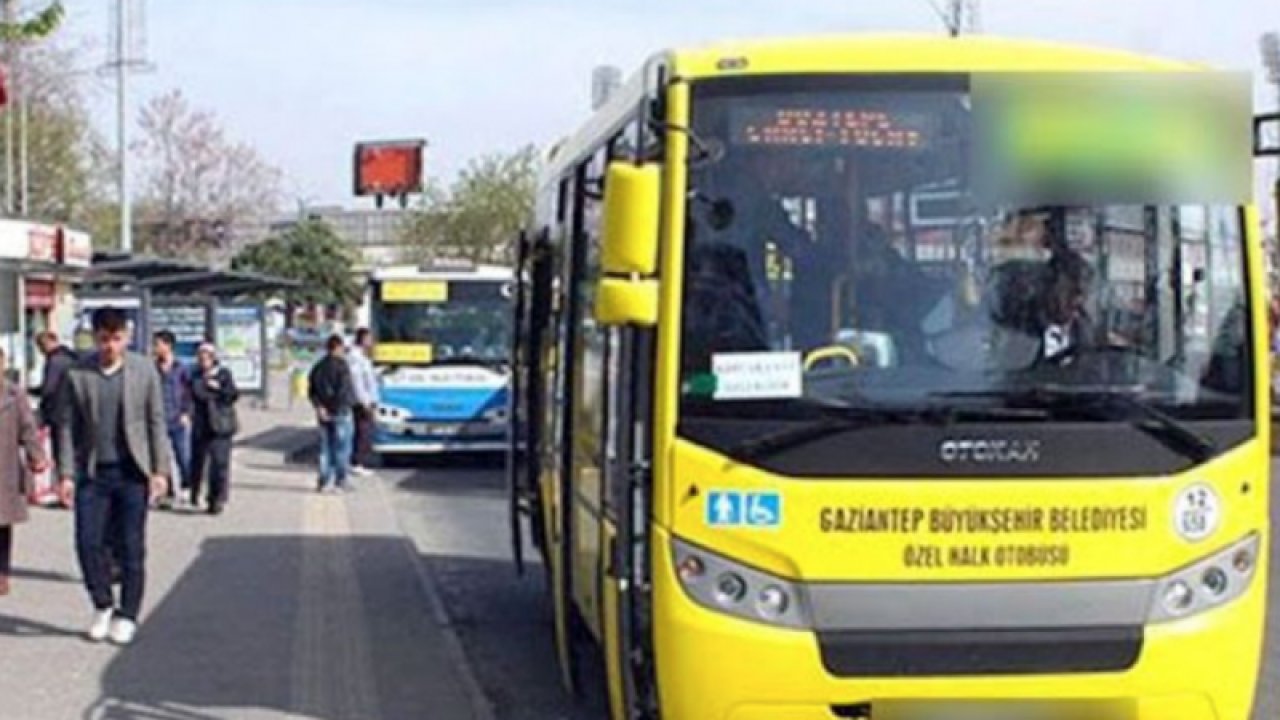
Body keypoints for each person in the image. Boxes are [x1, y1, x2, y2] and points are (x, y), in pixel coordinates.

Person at [54, 307, 170, 645]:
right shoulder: (78, 373)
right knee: (88, 543)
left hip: (132, 473)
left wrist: (160, 470)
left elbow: (155, 422)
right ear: (94, 337)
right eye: (104, 339)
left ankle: (128, 614)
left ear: (127, 337)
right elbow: (66, 428)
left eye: (117, 339)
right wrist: (65, 474)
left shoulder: (143, 370)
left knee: (131, 546)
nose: (110, 346)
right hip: (93, 473)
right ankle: (103, 603)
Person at [0, 347, 49, 596]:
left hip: (4, 467)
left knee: (2, 524)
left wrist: (36, 456)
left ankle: (2, 572)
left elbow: (27, 428)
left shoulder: (13, 394)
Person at [189, 343, 239, 515]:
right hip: (201, 426)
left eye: (207, 357)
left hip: (221, 425)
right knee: (198, 463)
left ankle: (217, 499)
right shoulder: (195, 375)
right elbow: (196, 394)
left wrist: (218, 388)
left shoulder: (224, 374)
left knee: (220, 464)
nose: (203, 361)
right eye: (200, 357)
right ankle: (196, 494)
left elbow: (232, 395)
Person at [308, 334, 356, 494]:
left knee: (325, 448)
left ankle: (323, 481)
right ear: (337, 347)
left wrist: (320, 407)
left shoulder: (318, 367)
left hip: (323, 413)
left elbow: (312, 390)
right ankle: (340, 481)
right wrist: (335, 408)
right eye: (342, 348)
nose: (344, 351)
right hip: (340, 412)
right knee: (342, 448)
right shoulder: (342, 366)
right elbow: (343, 391)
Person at [152, 331, 193, 510]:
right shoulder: (152, 368)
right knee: (161, 457)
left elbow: (189, 392)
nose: (155, 348)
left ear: (168, 346)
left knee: (183, 454)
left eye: (158, 344)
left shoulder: (181, 368)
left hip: (177, 417)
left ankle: (186, 486)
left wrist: (186, 412)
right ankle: (165, 492)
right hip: (158, 419)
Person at [34, 331, 76, 507]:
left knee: (61, 454)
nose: (41, 350)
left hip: (57, 414)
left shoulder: (55, 361)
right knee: (73, 454)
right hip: (73, 412)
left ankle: (65, 495)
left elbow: (49, 389)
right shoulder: (72, 358)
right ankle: (72, 493)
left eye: (41, 346)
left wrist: (32, 391)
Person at [347, 328, 379, 477]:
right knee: (363, 432)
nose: (372, 342)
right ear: (363, 339)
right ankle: (357, 463)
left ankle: (359, 462)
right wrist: (365, 403)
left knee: (365, 432)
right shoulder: (355, 357)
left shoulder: (363, 357)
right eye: (369, 339)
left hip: (366, 400)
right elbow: (357, 382)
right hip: (361, 403)